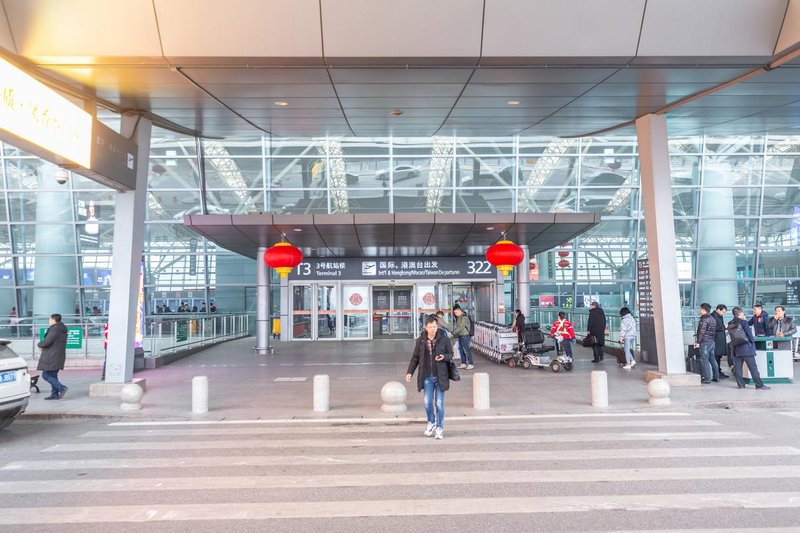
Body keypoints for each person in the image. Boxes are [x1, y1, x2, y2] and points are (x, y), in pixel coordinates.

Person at [405, 314, 452, 440]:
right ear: (426, 327)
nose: (433, 329)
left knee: (439, 403)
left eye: (435, 327)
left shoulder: (444, 339)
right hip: (427, 377)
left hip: (440, 376)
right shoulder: (421, 340)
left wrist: (444, 357)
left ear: (437, 327)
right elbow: (415, 358)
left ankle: (439, 427)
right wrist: (410, 372)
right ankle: (431, 421)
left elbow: (450, 355)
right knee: (427, 402)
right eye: (430, 327)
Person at [728, 307, 770, 390]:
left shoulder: (730, 323)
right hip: (746, 348)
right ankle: (759, 385)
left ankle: (741, 385)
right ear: (741, 313)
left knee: (738, 368)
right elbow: (749, 334)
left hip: (736, 348)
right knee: (753, 368)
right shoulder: (743, 322)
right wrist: (751, 342)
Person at [37, 313, 69, 400]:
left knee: (45, 375)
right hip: (58, 355)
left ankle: (61, 388)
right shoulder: (62, 329)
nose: (49, 321)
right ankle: (54, 394)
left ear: (53, 320)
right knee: (53, 375)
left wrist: (40, 344)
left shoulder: (54, 329)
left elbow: (47, 342)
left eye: (50, 319)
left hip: (52, 356)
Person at [694, 303, 719, 384]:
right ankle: (716, 376)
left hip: (705, 342)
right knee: (712, 359)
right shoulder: (712, 318)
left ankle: (707, 378)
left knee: (704, 360)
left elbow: (702, 332)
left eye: (700, 309)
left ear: (703, 309)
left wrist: (698, 342)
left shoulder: (704, 319)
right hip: (711, 341)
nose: (699, 310)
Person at [452, 304, 474, 370]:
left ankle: (470, 364)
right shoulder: (458, 317)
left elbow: (460, 327)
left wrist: (453, 333)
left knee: (466, 350)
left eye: (456, 312)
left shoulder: (464, 317)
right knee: (461, 350)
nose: (455, 314)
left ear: (459, 310)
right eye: (454, 313)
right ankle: (463, 363)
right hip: (460, 335)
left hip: (465, 336)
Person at [713, 304, 730, 379]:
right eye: (723, 312)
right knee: (716, 357)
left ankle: (719, 371)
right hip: (716, 340)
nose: (723, 313)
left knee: (718, 356)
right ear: (718, 309)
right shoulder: (713, 316)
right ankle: (716, 373)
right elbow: (714, 327)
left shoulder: (719, 316)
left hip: (720, 340)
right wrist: (724, 326)